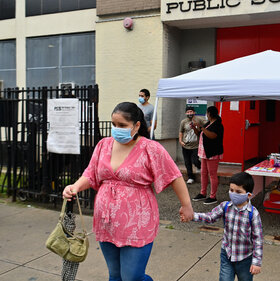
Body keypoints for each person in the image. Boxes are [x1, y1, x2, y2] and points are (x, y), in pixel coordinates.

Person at [62, 102, 193, 281]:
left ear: (137, 125)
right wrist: (75, 186)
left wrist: (186, 206)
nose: (116, 129)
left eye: (122, 125)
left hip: (137, 222)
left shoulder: (150, 148)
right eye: (114, 124)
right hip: (106, 220)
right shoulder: (103, 145)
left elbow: (174, 176)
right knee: (115, 276)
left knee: (132, 277)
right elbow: (91, 173)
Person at [191, 172, 263, 281]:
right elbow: (210, 217)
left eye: (238, 192)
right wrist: (192, 216)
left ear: (248, 195)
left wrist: (256, 262)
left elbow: (258, 239)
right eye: (231, 190)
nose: (233, 194)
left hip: (245, 258)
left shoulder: (253, 214)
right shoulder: (225, 206)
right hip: (227, 255)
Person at [191, 105, 224, 205]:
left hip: (213, 152)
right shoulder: (208, 123)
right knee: (203, 173)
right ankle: (203, 193)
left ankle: (213, 196)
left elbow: (212, 136)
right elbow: (200, 133)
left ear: (210, 113)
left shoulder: (218, 125)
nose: (206, 115)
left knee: (212, 174)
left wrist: (201, 127)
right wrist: (194, 128)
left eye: (207, 113)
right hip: (204, 152)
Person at [179, 106, 205, 184]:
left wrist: (197, 127)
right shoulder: (183, 122)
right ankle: (190, 177)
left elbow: (205, 127)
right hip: (185, 145)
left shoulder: (199, 120)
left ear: (194, 112)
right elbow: (181, 132)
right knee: (187, 162)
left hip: (196, 145)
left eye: (191, 111)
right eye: (188, 112)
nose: (189, 113)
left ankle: (199, 166)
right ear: (185, 113)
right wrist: (180, 141)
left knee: (195, 160)